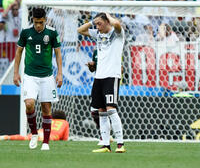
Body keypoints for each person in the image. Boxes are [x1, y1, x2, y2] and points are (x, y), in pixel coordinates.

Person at [13, 7, 63, 151]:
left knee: (46, 108)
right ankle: (34, 133)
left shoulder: (52, 33)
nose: (38, 25)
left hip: (47, 76)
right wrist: (16, 73)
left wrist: (59, 73)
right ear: (32, 20)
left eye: (41, 22)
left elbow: (58, 53)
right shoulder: (26, 32)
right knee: (29, 104)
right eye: (36, 22)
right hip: (30, 75)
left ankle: (46, 142)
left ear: (45, 20)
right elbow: (18, 53)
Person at [77, 12, 126, 153]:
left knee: (111, 109)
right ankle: (106, 145)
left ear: (107, 22)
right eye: (96, 24)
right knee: (101, 111)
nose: (97, 27)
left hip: (112, 76)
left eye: (100, 23)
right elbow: (80, 30)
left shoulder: (117, 34)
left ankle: (120, 144)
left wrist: (108, 15)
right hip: (99, 77)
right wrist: (93, 22)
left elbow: (116, 24)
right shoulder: (98, 34)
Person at [0, 110, 69, 141]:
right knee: (39, 140)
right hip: (51, 136)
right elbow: (65, 139)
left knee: (26, 138)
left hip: (40, 132)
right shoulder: (65, 123)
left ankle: (7, 137)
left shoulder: (50, 120)